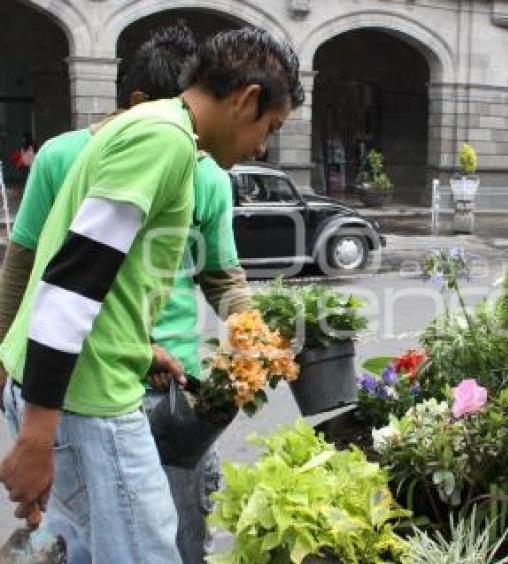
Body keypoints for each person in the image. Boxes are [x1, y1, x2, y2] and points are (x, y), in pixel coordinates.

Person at [0, 27, 304, 562]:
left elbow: (99, 278)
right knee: (148, 552)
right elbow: (70, 284)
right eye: (270, 128)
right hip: (90, 401)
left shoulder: (153, 130)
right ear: (247, 99)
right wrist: (36, 437)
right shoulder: (161, 141)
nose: (263, 147)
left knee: (93, 550)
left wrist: (139, 350)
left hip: (83, 385)